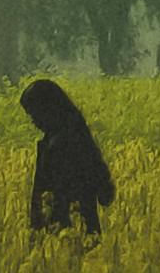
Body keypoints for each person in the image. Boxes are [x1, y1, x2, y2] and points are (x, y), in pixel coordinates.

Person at [20, 77, 115, 239]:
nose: (34, 122)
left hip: (65, 230)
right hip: (78, 229)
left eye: (35, 114)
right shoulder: (78, 136)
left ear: (48, 109)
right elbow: (105, 192)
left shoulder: (64, 143)